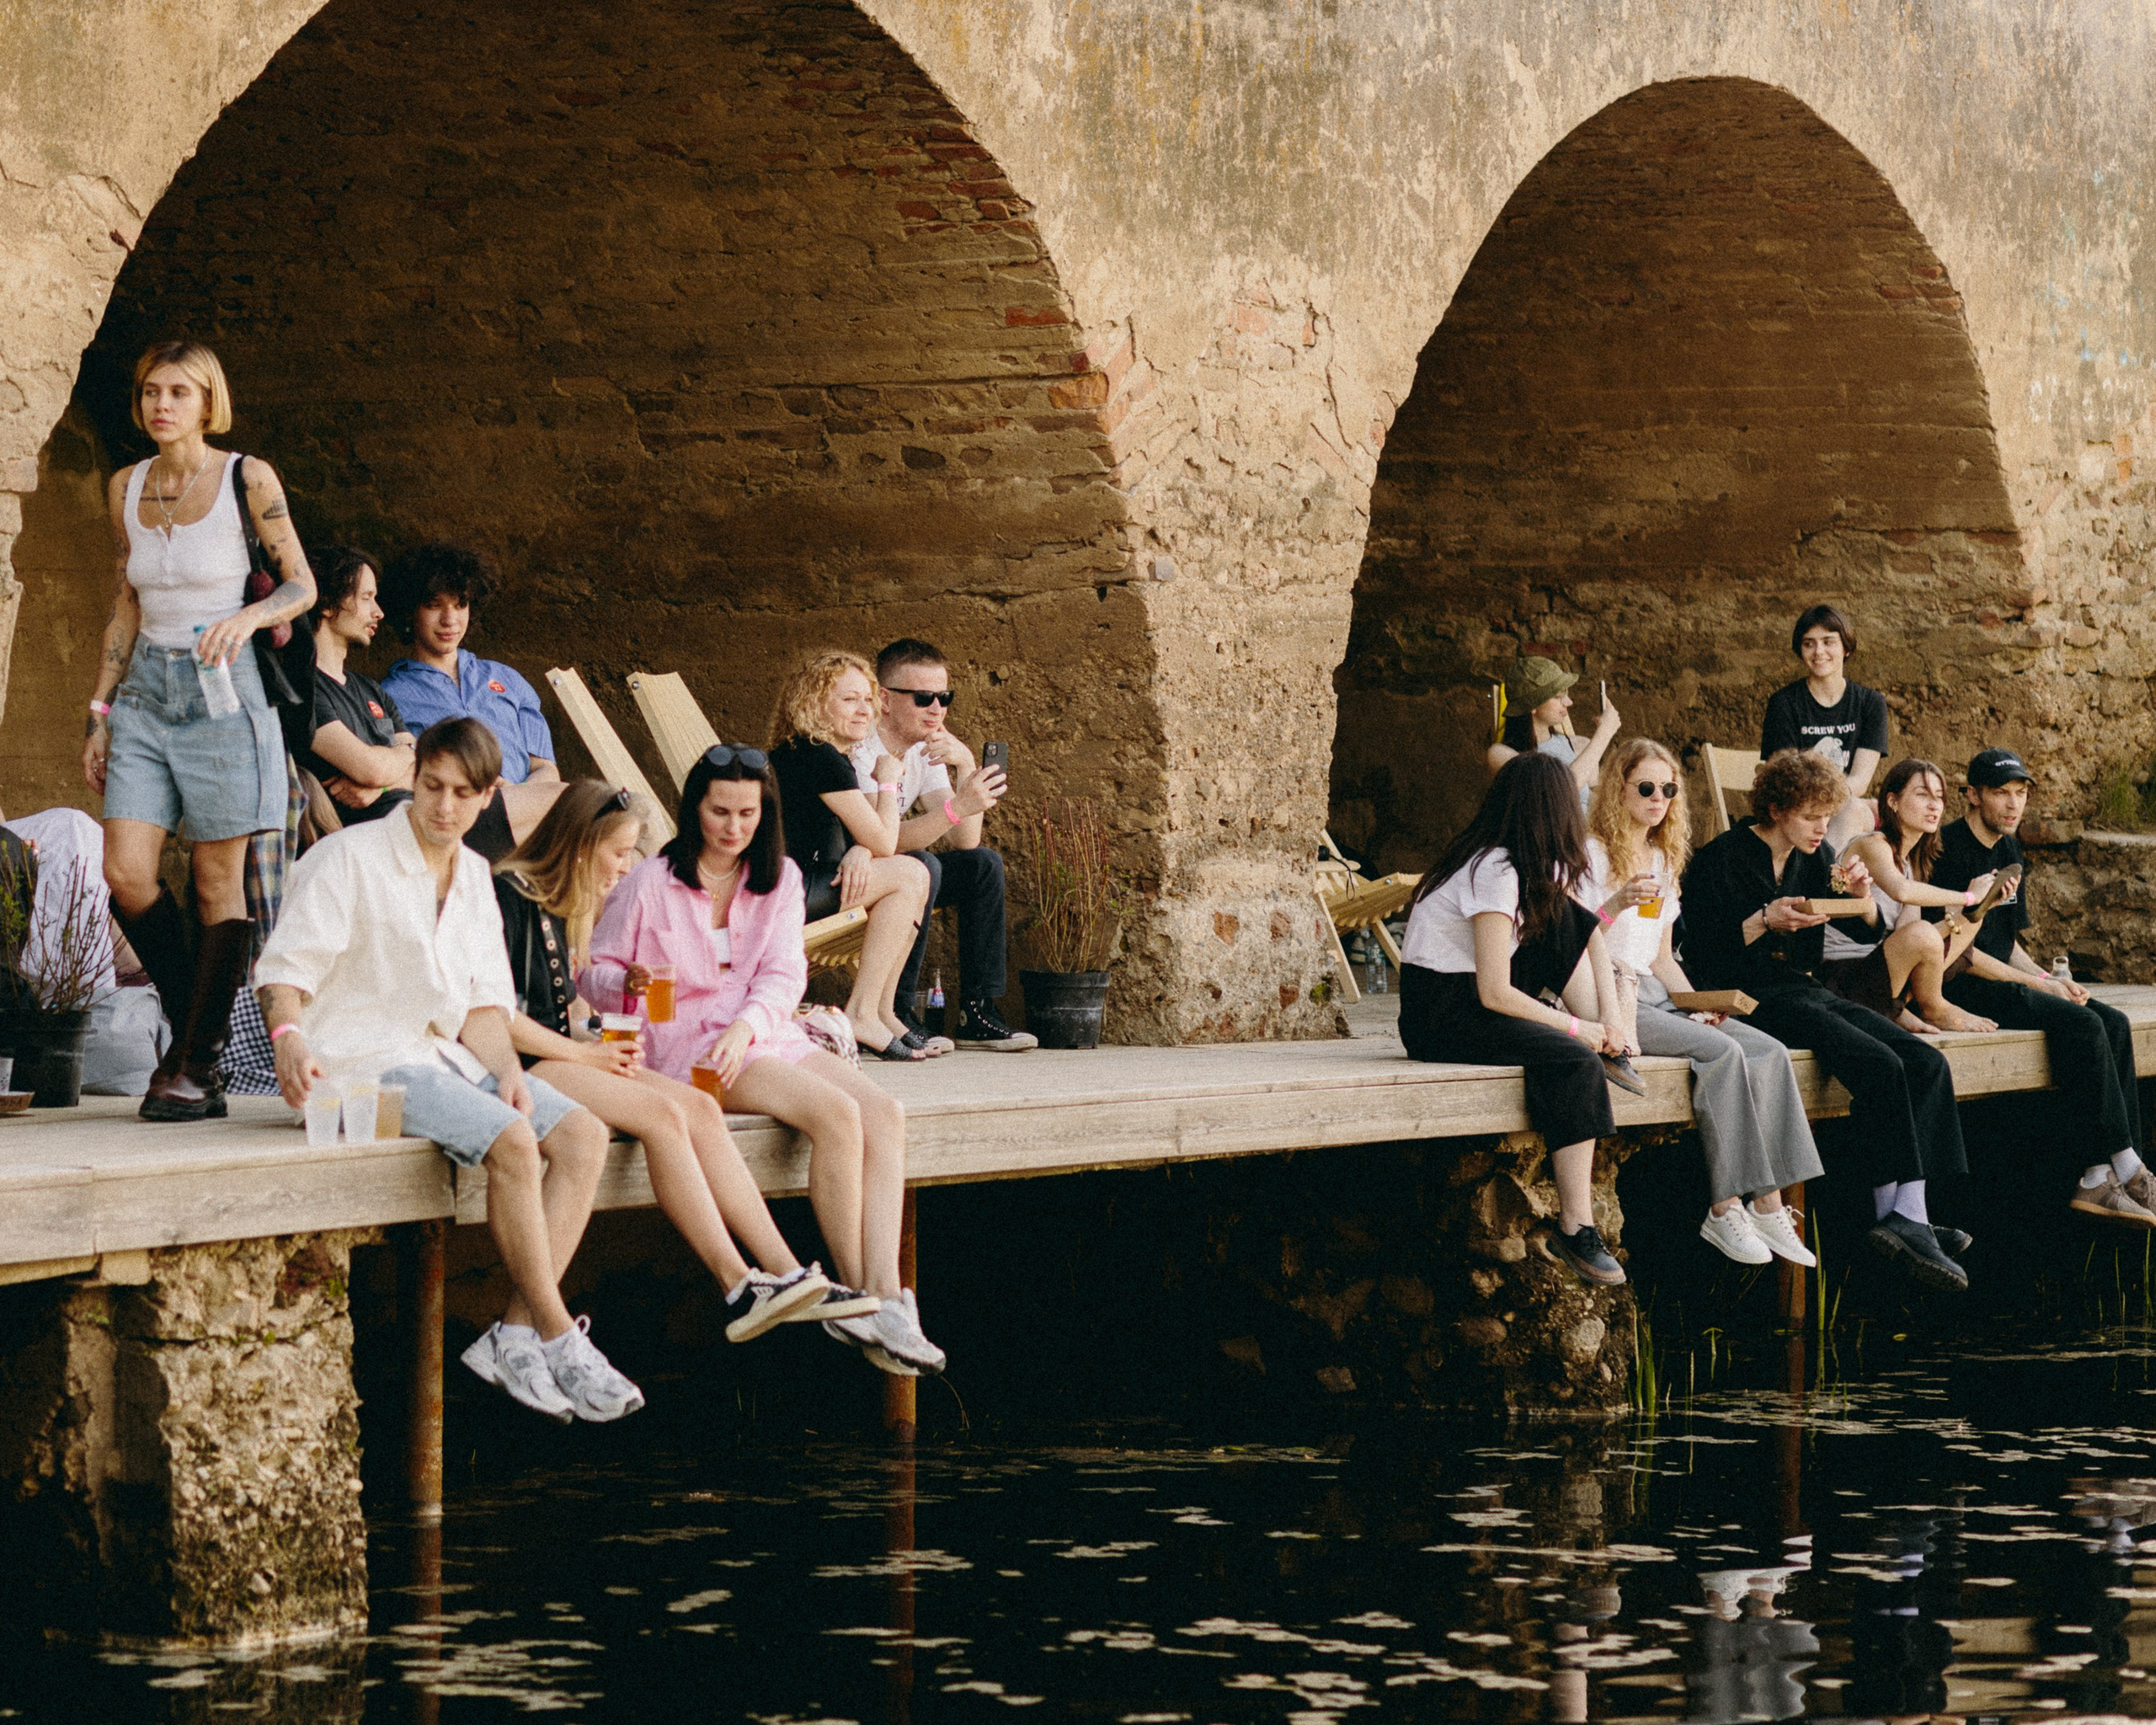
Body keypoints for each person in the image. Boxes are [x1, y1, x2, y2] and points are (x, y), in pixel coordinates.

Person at [255, 718, 641, 1423]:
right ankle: (559, 1336)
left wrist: (509, 1073)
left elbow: (484, 1007)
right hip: (355, 1077)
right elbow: (285, 972)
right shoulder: (348, 858)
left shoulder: (472, 877)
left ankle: (516, 1333)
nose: (444, 806)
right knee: (514, 1141)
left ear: (488, 795)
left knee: (582, 1133)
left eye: (463, 794)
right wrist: (288, 1037)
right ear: (414, 778)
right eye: (431, 786)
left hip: (446, 1061)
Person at [584, 744, 947, 1375]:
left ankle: (888, 1297)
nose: (733, 827)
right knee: (835, 1114)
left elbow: (783, 974)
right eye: (720, 811)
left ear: (764, 813)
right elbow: (595, 972)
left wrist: (748, 1026)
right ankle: (857, 1301)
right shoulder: (651, 882)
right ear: (696, 807)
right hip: (685, 1049)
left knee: (883, 1111)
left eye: (747, 814)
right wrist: (630, 983)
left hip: (758, 1034)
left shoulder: (775, 879)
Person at [493, 779, 846, 1340]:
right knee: (664, 1116)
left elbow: (574, 994)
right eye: (617, 853)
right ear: (582, 844)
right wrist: (588, 1052)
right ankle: (735, 1281)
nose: (624, 868)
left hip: (566, 1051)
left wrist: (597, 1032)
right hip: (517, 1062)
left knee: (698, 1110)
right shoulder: (509, 895)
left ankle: (785, 1274)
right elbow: (498, 1019)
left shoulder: (563, 899)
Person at [82, 340, 318, 1122]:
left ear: (207, 400)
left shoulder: (248, 477)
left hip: (225, 689)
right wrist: (100, 709)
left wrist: (250, 618)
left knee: (219, 880)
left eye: (180, 392)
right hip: (147, 690)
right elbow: (126, 600)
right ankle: (198, 1042)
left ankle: (196, 1069)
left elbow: (301, 583)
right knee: (127, 872)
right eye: (151, 391)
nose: (162, 405)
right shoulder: (125, 485)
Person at [1681, 750, 1972, 1292]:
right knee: (1882, 1065)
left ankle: (1911, 1210)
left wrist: (1861, 899)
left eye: (1827, 814)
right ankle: (1901, 1216)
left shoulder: (1814, 858)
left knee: (1926, 1062)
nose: (1822, 827)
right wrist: (1763, 920)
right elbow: (1698, 949)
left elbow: (1861, 936)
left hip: (1809, 987)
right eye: (1811, 815)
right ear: (1775, 808)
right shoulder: (1723, 857)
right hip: (1755, 997)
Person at [1581, 740, 1823, 1267]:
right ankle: (1723, 1207)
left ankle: (1770, 1205)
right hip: (1608, 993)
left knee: (1769, 1050)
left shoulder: (1665, 857)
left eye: (1668, 789)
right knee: (1722, 1053)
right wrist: (1614, 904)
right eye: (1646, 787)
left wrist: (1694, 1002)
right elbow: (1571, 940)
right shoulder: (1593, 853)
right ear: (1618, 789)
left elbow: (1664, 956)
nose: (1658, 798)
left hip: (1656, 990)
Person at [1398, 751, 1632, 1287]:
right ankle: (1575, 1227)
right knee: (1573, 1060)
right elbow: (1494, 992)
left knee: (1569, 918)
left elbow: (1588, 931)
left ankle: (1609, 1046)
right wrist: (1578, 1030)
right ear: (1551, 813)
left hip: (1468, 1001)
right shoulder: (1496, 869)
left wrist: (1610, 1025)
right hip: (1443, 1014)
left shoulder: (1515, 866)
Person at [1924, 748, 2156, 1226]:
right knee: (2082, 1028)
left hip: (2002, 977)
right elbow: (1960, 952)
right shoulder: (1945, 850)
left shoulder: (2010, 849)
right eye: (2001, 793)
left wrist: (2051, 981)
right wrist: (2036, 985)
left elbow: (2008, 944)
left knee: (2110, 1021)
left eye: (2021, 794)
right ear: (1972, 796)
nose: (2013, 806)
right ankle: (2119, 1171)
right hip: (1958, 983)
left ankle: (2107, 1171)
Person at [855, 638, 1032, 1052]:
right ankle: (898, 1010)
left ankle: (978, 1010)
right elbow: (881, 842)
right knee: (922, 864)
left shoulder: (924, 747)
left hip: (901, 876)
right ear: (884, 699)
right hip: (859, 876)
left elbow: (965, 840)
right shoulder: (862, 750)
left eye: (944, 697)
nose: (937, 709)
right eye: (923, 698)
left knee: (982, 865)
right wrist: (957, 807)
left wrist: (966, 766)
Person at [767, 650, 934, 1060]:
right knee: (911, 875)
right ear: (814, 705)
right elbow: (884, 842)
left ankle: (879, 1010)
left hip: (803, 881)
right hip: (787, 895)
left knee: (914, 877)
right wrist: (890, 782)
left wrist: (861, 849)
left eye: (867, 698)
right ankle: (863, 1011)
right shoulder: (818, 756)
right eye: (849, 700)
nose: (865, 710)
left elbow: (863, 836)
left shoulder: (813, 753)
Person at [378, 542, 562, 860]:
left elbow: (545, 767)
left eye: (460, 604)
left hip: (530, 817)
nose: (450, 619)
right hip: (462, 826)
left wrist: (517, 795)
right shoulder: (391, 694)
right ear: (410, 610)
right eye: (434, 605)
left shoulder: (507, 679)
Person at [1831, 758, 2001, 1034]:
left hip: (1882, 976)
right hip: (1843, 976)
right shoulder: (1873, 844)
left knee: (1969, 921)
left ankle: (1897, 1008)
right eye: (1922, 795)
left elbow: (1908, 934)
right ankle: (1934, 1007)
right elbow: (1901, 890)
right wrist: (1968, 897)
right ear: (1893, 802)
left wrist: (1975, 907)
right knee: (1927, 931)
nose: (1934, 805)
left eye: (1939, 797)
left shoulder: (1910, 863)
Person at [299, 546, 414, 825]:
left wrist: (383, 785)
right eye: (367, 598)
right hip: (363, 834)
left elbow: (423, 768)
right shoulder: (303, 689)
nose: (379, 612)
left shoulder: (372, 689)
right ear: (326, 603)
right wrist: (406, 754)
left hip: (410, 818)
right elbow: (370, 769)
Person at [1760, 605, 1888, 844]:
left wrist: (1829, 804)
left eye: (1828, 642)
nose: (1819, 652)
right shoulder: (1784, 703)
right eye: (1809, 643)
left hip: (1845, 804)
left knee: (1853, 809)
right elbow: (1785, 777)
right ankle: (1830, 878)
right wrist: (1817, 809)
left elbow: (1859, 781)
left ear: (1846, 648)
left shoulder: (1870, 703)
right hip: (1799, 806)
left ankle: (1825, 878)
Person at [1486, 656, 1620, 805]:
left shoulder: (1581, 746)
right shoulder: (1501, 755)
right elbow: (1559, 790)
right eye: (1558, 696)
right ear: (1532, 705)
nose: (1569, 702)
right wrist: (1604, 733)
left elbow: (1596, 807)